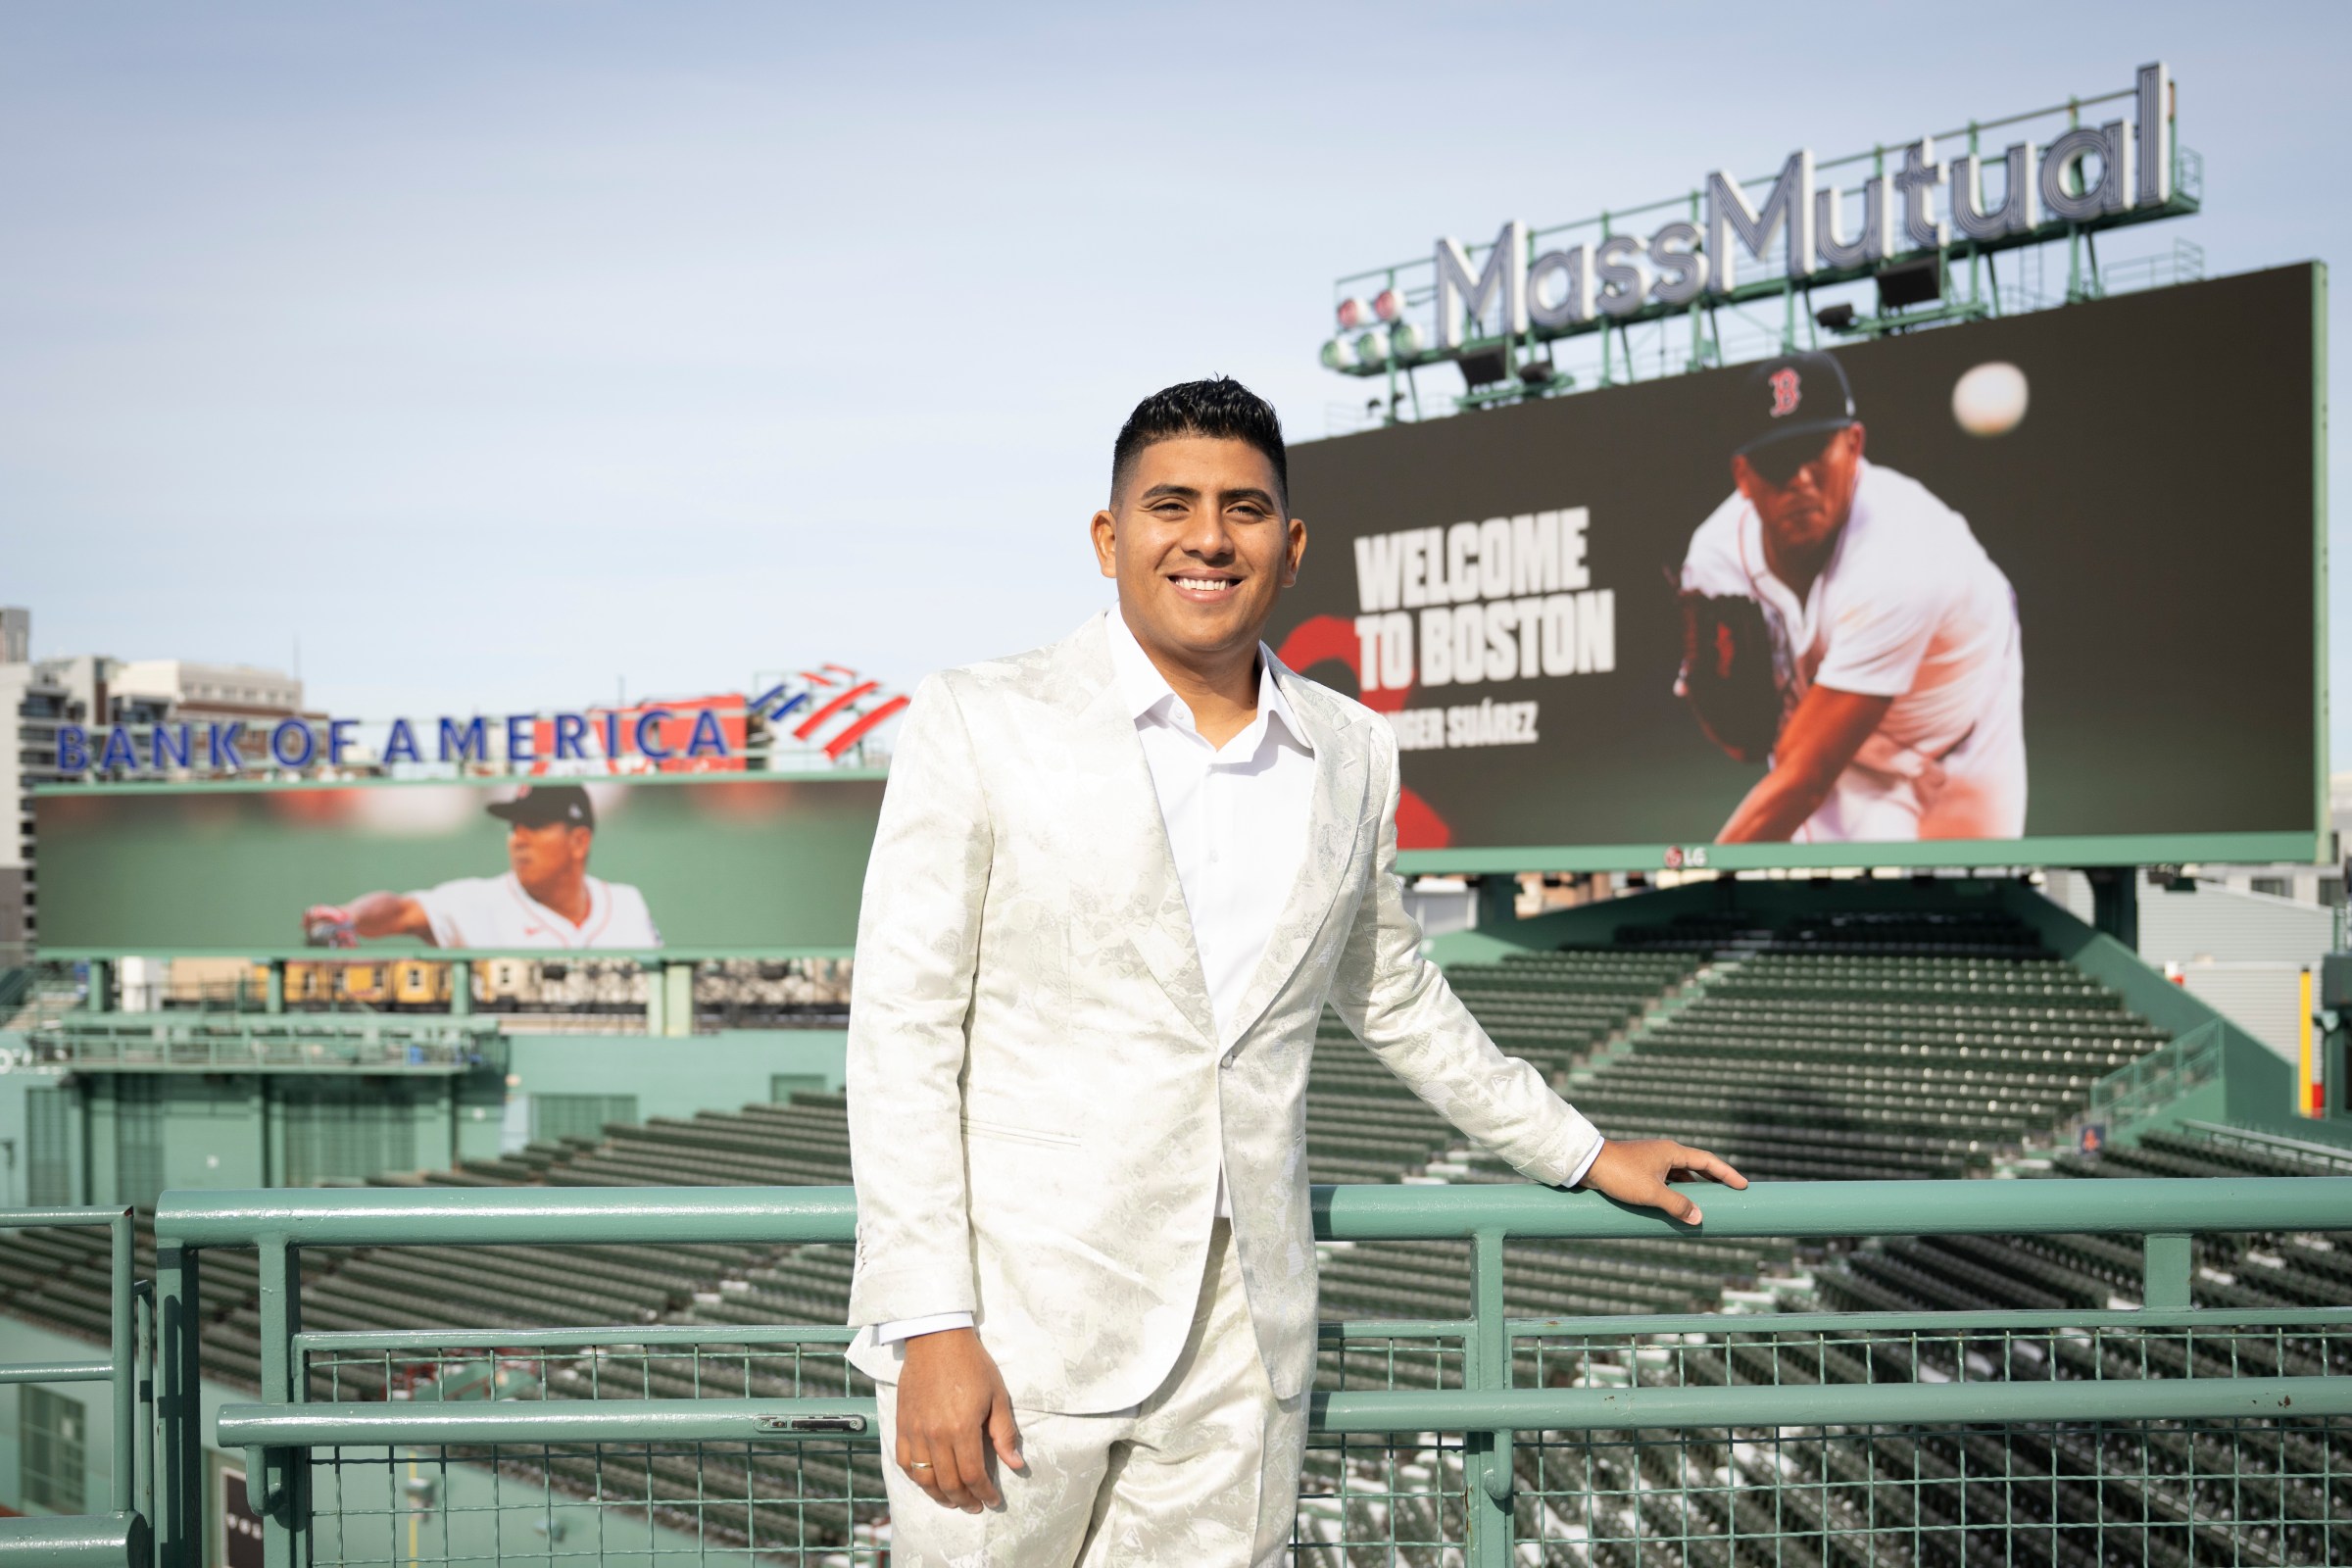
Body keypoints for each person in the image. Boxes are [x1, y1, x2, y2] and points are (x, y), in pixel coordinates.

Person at [846, 377, 1744, 1565]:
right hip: (1017, 1330)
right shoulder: (980, 719)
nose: (1210, 537)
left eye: (1246, 508)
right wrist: (930, 1323)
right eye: (1171, 504)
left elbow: (1394, 992)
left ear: (1293, 544)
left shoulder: (1351, 747)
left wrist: (1579, 1150)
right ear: (1110, 538)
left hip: (1244, 1347)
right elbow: (903, 1028)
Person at [1678, 352, 2027, 843]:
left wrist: (1703, 876)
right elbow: (1768, 749)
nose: (1800, 478)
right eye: (1777, 461)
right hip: (1850, 763)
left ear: (1853, 445)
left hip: (1965, 742)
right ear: (1742, 475)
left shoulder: (1905, 548)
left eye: (1814, 451)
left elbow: (1804, 778)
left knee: (1974, 888)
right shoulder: (1717, 560)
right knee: (1833, 886)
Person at [301, 783, 661, 950]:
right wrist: (348, 916)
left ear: (579, 841)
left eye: (534, 825)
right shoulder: (479, 902)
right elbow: (400, 912)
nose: (518, 838)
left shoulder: (626, 903)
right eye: (514, 826)